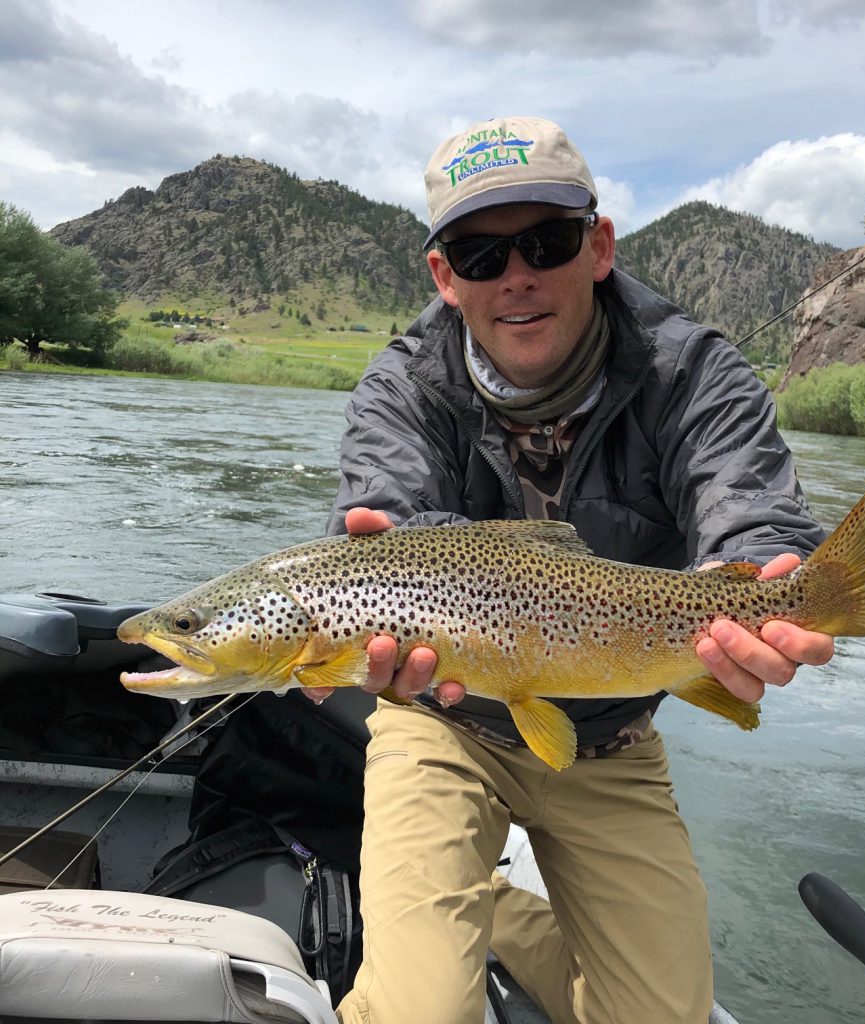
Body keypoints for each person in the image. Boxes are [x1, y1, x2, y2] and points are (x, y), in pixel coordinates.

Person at [307, 115, 835, 1024]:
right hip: (446, 720)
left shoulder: (694, 370)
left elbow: (750, 505)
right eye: (478, 255)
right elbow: (385, 522)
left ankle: (491, 918)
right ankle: (451, 929)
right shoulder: (402, 384)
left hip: (613, 738)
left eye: (545, 242)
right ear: (443, 278)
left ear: (598, 247)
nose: (516, 276)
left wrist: (763, 578)